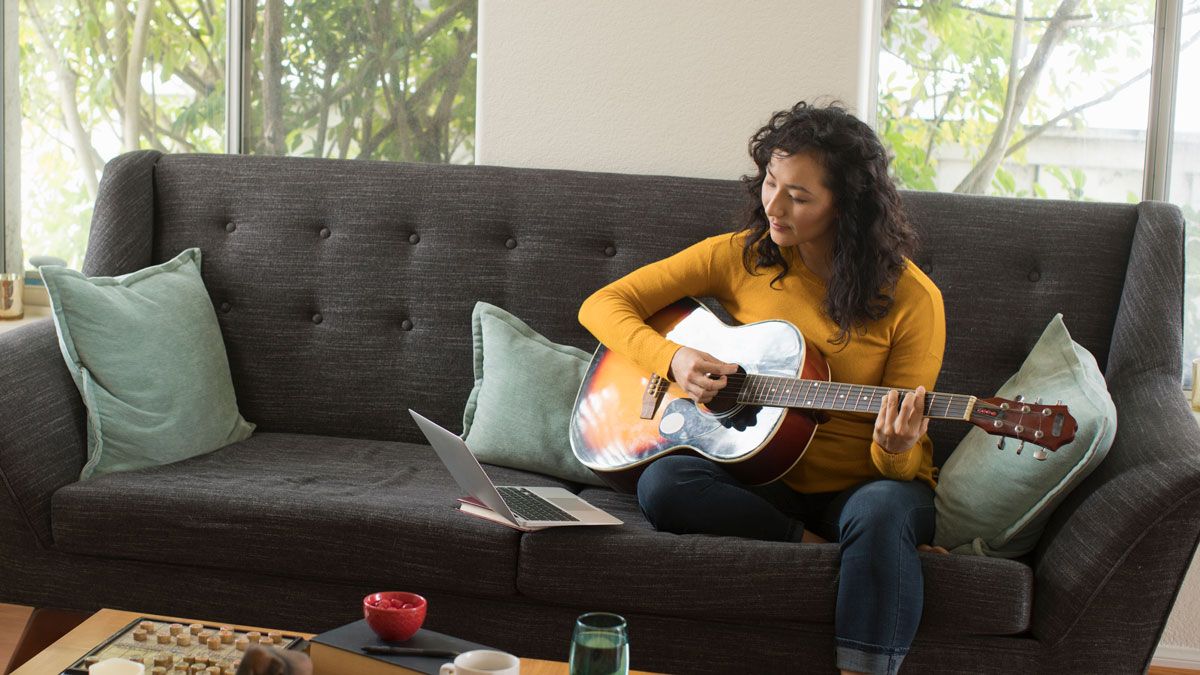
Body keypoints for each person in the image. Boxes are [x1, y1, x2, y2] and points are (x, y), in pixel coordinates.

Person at [577, 100, 948, 675]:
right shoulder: (741, 255)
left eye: (799, 197)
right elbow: (602, 304)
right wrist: (672, 359)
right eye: (771, 183)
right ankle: (821, 550)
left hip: (866, 485)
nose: (773, 206)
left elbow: (902, 453)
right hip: (758, 477)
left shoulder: (912, 299)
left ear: (846, 205)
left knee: (880, 513)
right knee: (664, 482)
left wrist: (895, 450)